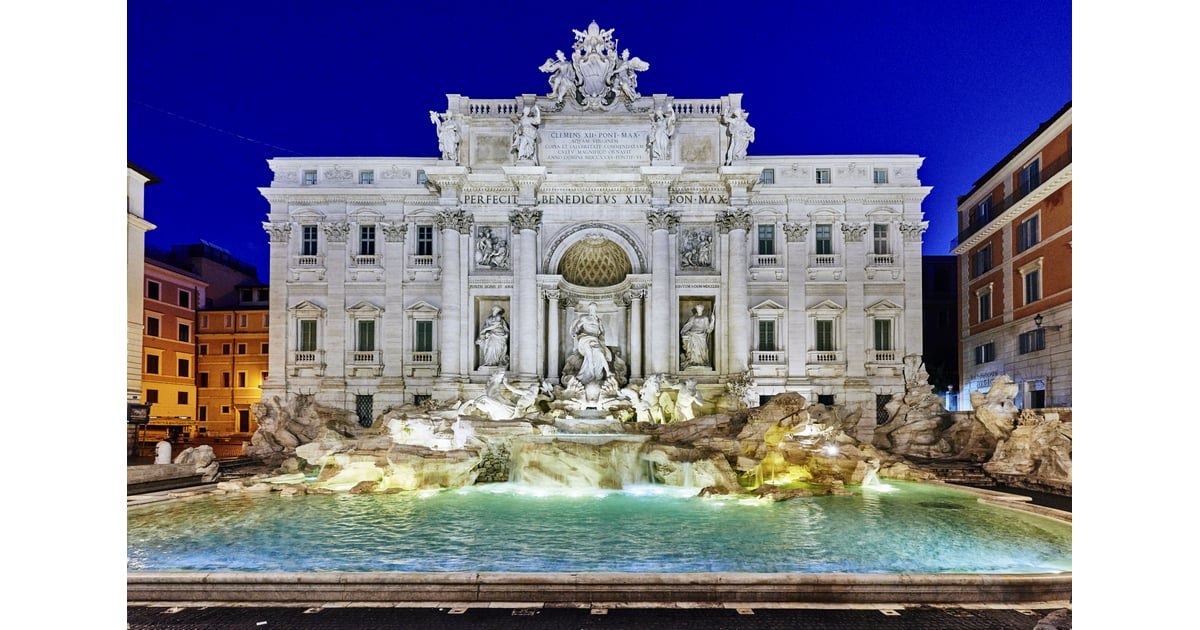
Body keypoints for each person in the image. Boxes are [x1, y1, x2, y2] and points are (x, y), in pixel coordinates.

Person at [569, 302, 612, 385]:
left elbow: (602, 332)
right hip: (585, 339)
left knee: (599, 354)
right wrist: (573, 333)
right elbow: (575, 325)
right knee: (589, 354)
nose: (593, 310)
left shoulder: (599, 320)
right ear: (589, 309)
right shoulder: (585, 318)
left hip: (595, 340)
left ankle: (603, 373)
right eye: (592, 309)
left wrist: (601, 333)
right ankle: (591, 375)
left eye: (595, 308)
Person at [680, 303, 715, 369]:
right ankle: (693, 361)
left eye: (700, 309)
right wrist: (684, 332)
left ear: (702, 309)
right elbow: (688, 325)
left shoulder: (705, 318)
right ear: (696, 309)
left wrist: (713, 320)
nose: (699, 310)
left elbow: (708, 329)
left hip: (702, 336)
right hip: (693, 335)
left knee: (702, 350)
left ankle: (701, 362)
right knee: (693, 349)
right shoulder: (692, 318)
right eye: (697, 309)